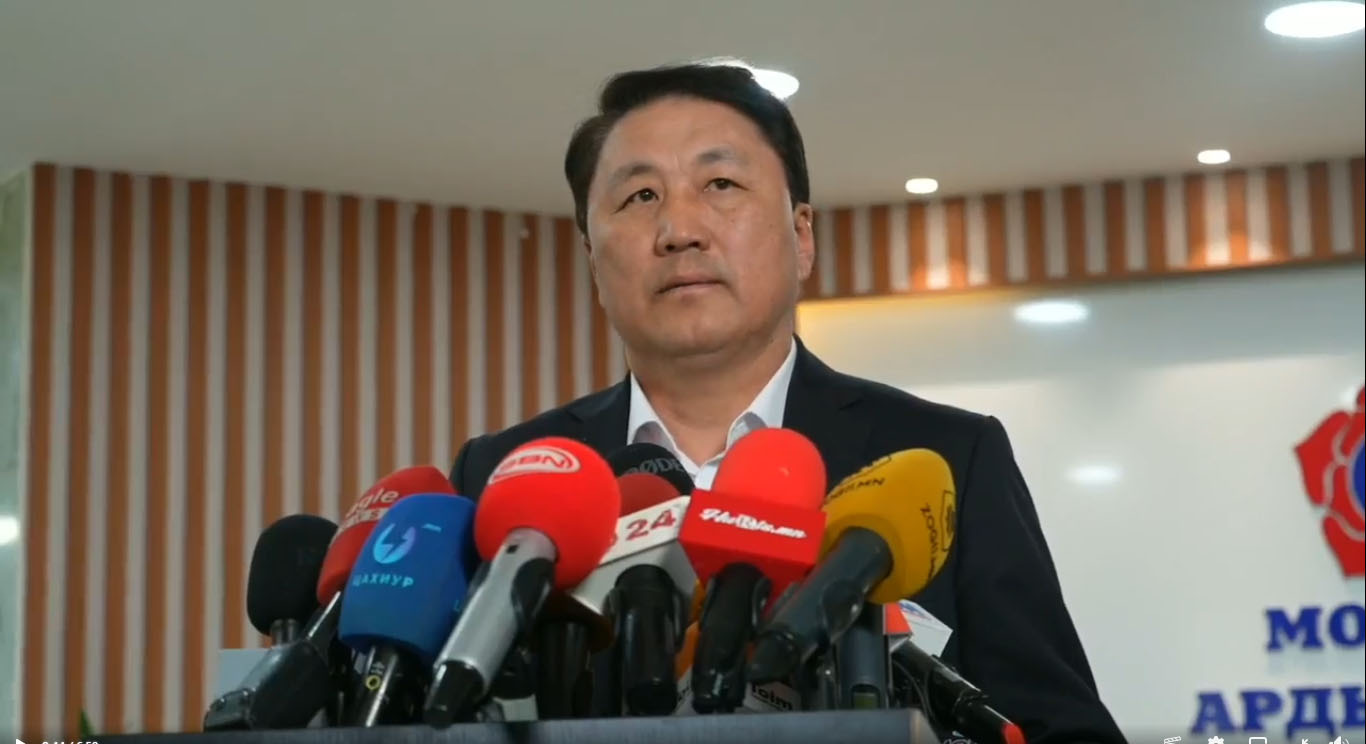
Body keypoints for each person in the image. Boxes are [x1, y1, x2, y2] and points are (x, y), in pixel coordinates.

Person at [449, 63, 1125, 742]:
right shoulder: (505, 477)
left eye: (720, 184)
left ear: (802, 237)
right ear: (595, 262)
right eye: (641, 195)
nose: (679, 229)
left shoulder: (945, 457)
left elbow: (1062, 729)